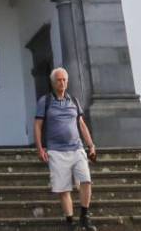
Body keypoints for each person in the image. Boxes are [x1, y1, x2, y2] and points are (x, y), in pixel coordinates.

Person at [34, 67, 97, 230]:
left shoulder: (74, 101)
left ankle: (84, 217)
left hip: (77, 148)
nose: (62, 83)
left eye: (64, 80)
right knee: (64, 189)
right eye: (58, 80)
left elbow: (82, 125)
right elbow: (37, 125)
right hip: (55, 150)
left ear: (67, 82)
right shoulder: (45, 101)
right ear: (53, 82)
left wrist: (90, 145)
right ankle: (70, 223)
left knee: (86, 181)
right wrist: (40, 148)